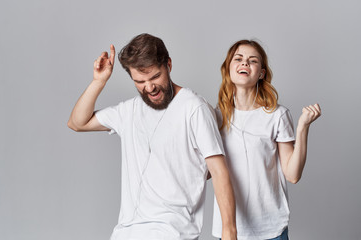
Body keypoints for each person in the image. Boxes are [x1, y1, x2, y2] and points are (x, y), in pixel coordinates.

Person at [67, 33, 237, 240]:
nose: (149, 87)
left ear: (168, 65)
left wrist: (229, 233)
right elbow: (77, 123)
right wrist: (99, 82)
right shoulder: (128, 111)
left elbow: (219, 172)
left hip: (173, 233)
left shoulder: (194, 108)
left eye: (155, 77)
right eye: (140, 81)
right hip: (125, 233)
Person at [212, 40, 321, 240]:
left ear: (261, 73)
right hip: (228, 230)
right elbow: (207, 172)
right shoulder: (217, 117)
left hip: (270, 230)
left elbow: (293, 174)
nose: (244, 63)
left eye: (252, 61)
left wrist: (303, 128)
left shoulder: (277, 115)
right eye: (238, 59)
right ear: (229, 69)